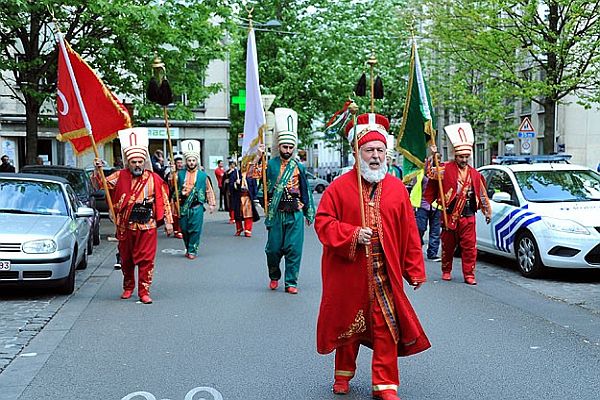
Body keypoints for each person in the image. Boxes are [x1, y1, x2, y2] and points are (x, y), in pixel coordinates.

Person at [315, 112, 430, 400]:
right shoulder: (338, 188)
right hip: (348, 272)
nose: (375, 156)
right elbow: (323, 222)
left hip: (384, 276)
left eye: (380, 150)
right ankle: (342, 376)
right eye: (369, 150)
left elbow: (409, 233)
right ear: (358, 153)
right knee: (348, 326)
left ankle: (385, 384)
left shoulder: (396, 190)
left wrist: (414, 269)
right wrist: (352, 234)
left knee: (386, 327)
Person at [93, 127, 173, 304]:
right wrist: (97, 170)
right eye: (133, 162)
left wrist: (169, 221)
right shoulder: (119, 176)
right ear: (128, 162)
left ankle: (144, 291)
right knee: (127, 260)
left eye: (139, 161)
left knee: (146, 260)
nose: (137, 165)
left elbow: (164, 200)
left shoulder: (154, 178)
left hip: (147, 225)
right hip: (125, 225)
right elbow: (100, 185)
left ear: (144, 162)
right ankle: (128, 287)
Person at [255, 107, 315, 294]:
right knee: (272, 250)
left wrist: (308, 212)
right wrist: (258, 157)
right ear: (279, 147)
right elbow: (252, 176)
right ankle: (274, 275)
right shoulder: (270, 164)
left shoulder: (299, 167)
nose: (288, 150)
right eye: (284, 147)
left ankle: (291, 282)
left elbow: (306, 190)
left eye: (290, 147)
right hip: (276, 213)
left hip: (295, 213)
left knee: (294, 250)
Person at [424, 123, 492, 285]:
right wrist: (431, 156)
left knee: (469, 248)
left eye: (466, 157)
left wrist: (487, 211)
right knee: (448, 246)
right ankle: (446, 270)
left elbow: (482, 194)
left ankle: (469, 274)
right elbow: (430, 173)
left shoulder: (475, 174)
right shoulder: (445, 169)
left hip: (468, 216)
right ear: (455, 155)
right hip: (449, 214)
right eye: (460, 157)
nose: (463, 160)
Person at [176, 140, 216, 260]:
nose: (191, 162)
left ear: (196, 161)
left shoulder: (203, 176)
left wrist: (212, 203)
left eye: (193, 160)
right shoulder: (179, 174)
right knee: (184, 229)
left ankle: (192, 250)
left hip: (197, 206)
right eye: (189, 160)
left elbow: (208, 189)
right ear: (186, 161)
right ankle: (188, 247)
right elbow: (172, 186)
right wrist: (171, 173)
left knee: (195, 229)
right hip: (183, 206)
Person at [411, 152, 442, 261]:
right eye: (435, 158)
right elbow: (414, 187)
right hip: (422, 205)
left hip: (436, 206)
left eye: (439, 159)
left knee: (435, 230)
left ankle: (432, 253)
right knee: (420, 228)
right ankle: (417, 249)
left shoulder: (441, 173)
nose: (437, 161)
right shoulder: (421, 173)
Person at [170, 154, 185, 239]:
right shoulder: (173, 173)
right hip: (176, 196)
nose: (180, 164)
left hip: (184, 196)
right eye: (178, 163)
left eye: (181, 163)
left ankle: (182, 229)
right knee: (176, 214)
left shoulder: (185, 172)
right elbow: (170, 184)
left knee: (183, 214)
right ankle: (177, 230)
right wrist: (172, 174)